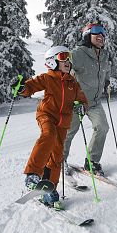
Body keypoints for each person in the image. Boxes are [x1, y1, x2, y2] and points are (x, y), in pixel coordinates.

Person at [12, 45, 87, 206]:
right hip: (46, 115)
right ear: (52, 61)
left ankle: (49, 188)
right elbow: (31, 86)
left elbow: (81, 98)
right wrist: (22, 88)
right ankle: (32, 174)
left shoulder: (72, 82)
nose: (67, 61)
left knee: (57, 156)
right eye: (63, 57)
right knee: (48, 135)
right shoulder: (47, 78)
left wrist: (81, 105)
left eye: (69, 58)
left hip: (63, 122)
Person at [63, 22, 111, 176]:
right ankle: (59, 161)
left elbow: (105, 71)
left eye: (103, 32)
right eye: (96, 32)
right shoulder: (78, 53)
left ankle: (92, 162)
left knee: (102, 127)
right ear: (86, 35)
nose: (101, 35)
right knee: (68, 132)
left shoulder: (104, 55)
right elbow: (62, 69)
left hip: (95, 102)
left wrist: (107, 81)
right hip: (76, 102)